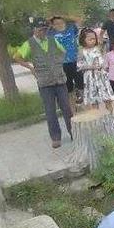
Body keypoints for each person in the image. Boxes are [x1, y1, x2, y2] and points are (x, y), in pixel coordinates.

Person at [14, 17, 73, 149]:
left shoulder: (52, 40)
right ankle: (56, 137)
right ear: (34, 29)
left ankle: (73, 132)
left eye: (45, 29)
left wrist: (58, 63)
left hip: (59, 80)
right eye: (41, 30)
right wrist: (30, 67)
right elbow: (17, 57)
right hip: (45, 83)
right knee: (50, 111)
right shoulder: (29, 44)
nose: (43, 32)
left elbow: (63, 52)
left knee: (66, 108)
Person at [77, 28, 114, 115]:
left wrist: (104, 66)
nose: (93, 41)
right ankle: (98, 120)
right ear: (83, 40)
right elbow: (79, 66)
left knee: (107, 99)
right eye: (90, 39)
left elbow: (103, 60)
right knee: (94, 101)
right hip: (90, 78)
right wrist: (91, 66)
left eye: (94, 39)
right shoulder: (81, 51)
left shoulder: (98, 49)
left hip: (101, 76)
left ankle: (111, 120)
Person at [48, 15, 84, 104]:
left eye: (61, 22)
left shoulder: (71, 28)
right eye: (56, 24)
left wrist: (63, 15)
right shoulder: (51, 33)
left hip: (75, 60)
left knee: (80, 83)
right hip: (61, 63)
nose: (59, 25)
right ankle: (71, 106)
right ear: (53, 25)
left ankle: (82, 99)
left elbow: (79, 19)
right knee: (68, 86)